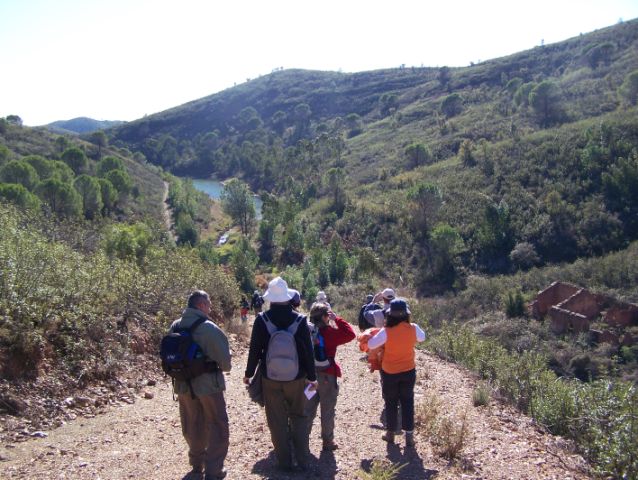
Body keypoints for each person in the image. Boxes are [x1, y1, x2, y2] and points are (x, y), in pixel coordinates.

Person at [243, 277, 317, 472]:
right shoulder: (300, 320)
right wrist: (312, 377)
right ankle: (303, 461)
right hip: (297, 377)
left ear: (270, 299)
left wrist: (249, 373)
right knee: (299, 416)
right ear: (287, 297)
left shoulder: (262, 320)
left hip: (270, 378)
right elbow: (308, 352)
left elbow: (254, 350)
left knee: (276, 421)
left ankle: (284, 463)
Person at [169, 290, 231, 480]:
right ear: (201, 305)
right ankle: (213, 471)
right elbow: (226, 363)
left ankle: (197, 465)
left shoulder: (175, 325)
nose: (210, 307)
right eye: (209, 304)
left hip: (183, 384)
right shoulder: (208, 328)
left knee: (192, 423)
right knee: (218, 424)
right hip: (208, 386)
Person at [368, 298, 426, 447]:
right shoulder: (413, 328)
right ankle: (409, 437)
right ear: (406, 314)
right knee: (408, 401)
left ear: (390, 315)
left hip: (390, 372)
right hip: (408, 370)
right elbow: (422, 338)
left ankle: (390, 433)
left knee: (391, 402)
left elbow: (371, 344)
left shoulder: (386, 332)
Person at [304, 302, 356, 451]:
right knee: (327, 410)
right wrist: (337, 319)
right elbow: (350, 334)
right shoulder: (331, 333)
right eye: (328, 315)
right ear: (325, 317)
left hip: (310, 376)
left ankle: (301, 439)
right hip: (328, 376)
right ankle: (327, 441)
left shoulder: (306, 331)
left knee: (307, 408)